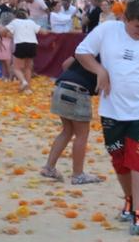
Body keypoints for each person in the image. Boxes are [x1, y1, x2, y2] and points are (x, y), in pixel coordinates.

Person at [74, 0, 139, 236]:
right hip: (112, 110)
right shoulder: (108, 30)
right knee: (119, 160)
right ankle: (129, 200)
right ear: (124, 19)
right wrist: (100, 70)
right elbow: (82, 52)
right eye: (136, 26)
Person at [41, 54, 103, 184]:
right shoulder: (111, 52)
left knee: (67, 131)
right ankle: (78, 174)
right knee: (82, 134)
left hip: (60, 87)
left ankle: (49, 167)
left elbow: (65, 64)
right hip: (78, 92)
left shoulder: (88, 47)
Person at [2, 9, 43, 92]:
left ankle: (23, 82)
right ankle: (27, 89)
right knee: (28, 68)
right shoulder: (31, 22)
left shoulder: (14, 22)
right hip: (33, 45)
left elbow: (3, 31)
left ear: (15, 16)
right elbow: (41, 31)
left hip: (21, 44)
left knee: (16, 68)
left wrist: (5, 35)